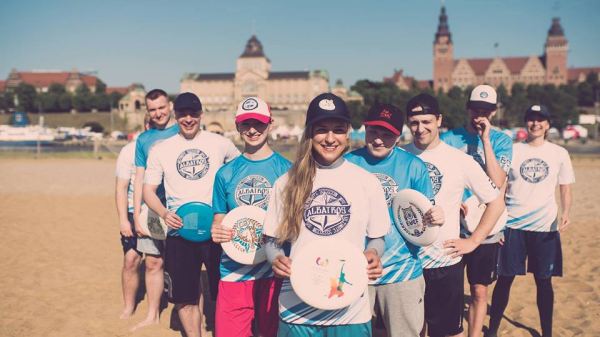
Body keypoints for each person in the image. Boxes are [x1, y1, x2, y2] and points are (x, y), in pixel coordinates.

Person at [263, 92, 390, 337]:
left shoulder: (366, 181)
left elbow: (377, 238)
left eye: (338, 130)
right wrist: (275, 258)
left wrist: (373, 253)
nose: (330, 138)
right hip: (297, 308)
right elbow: (271, 241)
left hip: (350, 308)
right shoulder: (286, 182)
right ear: (310, 133)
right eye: (322, 129)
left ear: (348, 133)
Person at [402, 93, 505, 337]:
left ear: (439, 120)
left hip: (443, 261)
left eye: (426, 121)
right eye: (414, 122)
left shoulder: (460, 160)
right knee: (412, 330)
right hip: (406, 263)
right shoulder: (399, 155)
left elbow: (496, 202)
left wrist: (473, 241)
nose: (420, 128)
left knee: (447, 331)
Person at [143, 92, 239, 337]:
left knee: (225, 294)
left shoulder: (220, 143)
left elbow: (240, 173)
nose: (188, 119)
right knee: (185, 298)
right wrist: (164, 213)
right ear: (175, 116)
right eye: (183, 114)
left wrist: (232, 210)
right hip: (179, 231)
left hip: (217, 231)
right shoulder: (161, 149)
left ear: (201, 114)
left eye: (193, 113)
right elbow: (148, 191)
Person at [345, 103, 444, 337]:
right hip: (358, 271)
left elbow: (424, 217)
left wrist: (435, 216)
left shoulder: (414, 166)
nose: (379, 140)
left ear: (398, 137)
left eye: (387, 134)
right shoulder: (348, 163)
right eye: (373, 132)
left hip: (402, 272)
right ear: (365, 130)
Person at [487, 105, 574, 337]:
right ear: (526, 123)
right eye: (531, 119)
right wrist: (498, 224)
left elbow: (565, 188)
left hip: (544, 227)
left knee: (544, 282)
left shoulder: (559, 153)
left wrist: (566, 212)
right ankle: (492, 330)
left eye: (540, 120)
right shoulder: (513, 150)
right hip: (513, 226)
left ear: (548, 125)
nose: (535, 124)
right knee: (505, 280)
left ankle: (547, 332)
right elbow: (500, 187)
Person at [210, 97, 292, 337]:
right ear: (237, 126)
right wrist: (217, 230)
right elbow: (219, 218)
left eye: (259, 123)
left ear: (271, 124)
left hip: (274, 269)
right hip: (234, 269)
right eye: (246, 124)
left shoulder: (288, 170)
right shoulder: (225, 173)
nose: (253, 130)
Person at [441, 85, 512, 337]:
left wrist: (485, 140)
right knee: (448, 288)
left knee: (479, 290)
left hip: (485, 224)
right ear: (467, 108)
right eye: (475, 109)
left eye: (486, 110)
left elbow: (498, 179)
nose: (479, 115)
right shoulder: (449, 138)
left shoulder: (502, 140)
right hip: (452, 224)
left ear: (494, 112)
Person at [131, 89, 180, 330]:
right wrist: (135, 214)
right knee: (152, 263)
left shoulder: (183, 129)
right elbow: (138, 177)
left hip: (181, 209)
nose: (158, 113)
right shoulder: (144, 139)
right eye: (152, 109)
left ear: (169, 106)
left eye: (161, 107)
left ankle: (186, 311)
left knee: (185, 264)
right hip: (151, 210)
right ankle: (153, 313)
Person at [115, 113, 152, 319]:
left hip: (161, 212)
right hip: (132, 210)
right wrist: (123, 220)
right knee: (131, 260)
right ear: (146, 124)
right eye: (150, 124)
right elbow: (120, 188)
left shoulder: (169, 148)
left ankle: (156, 308)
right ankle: (129, 306)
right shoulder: (129, 151)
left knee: (159, 262)